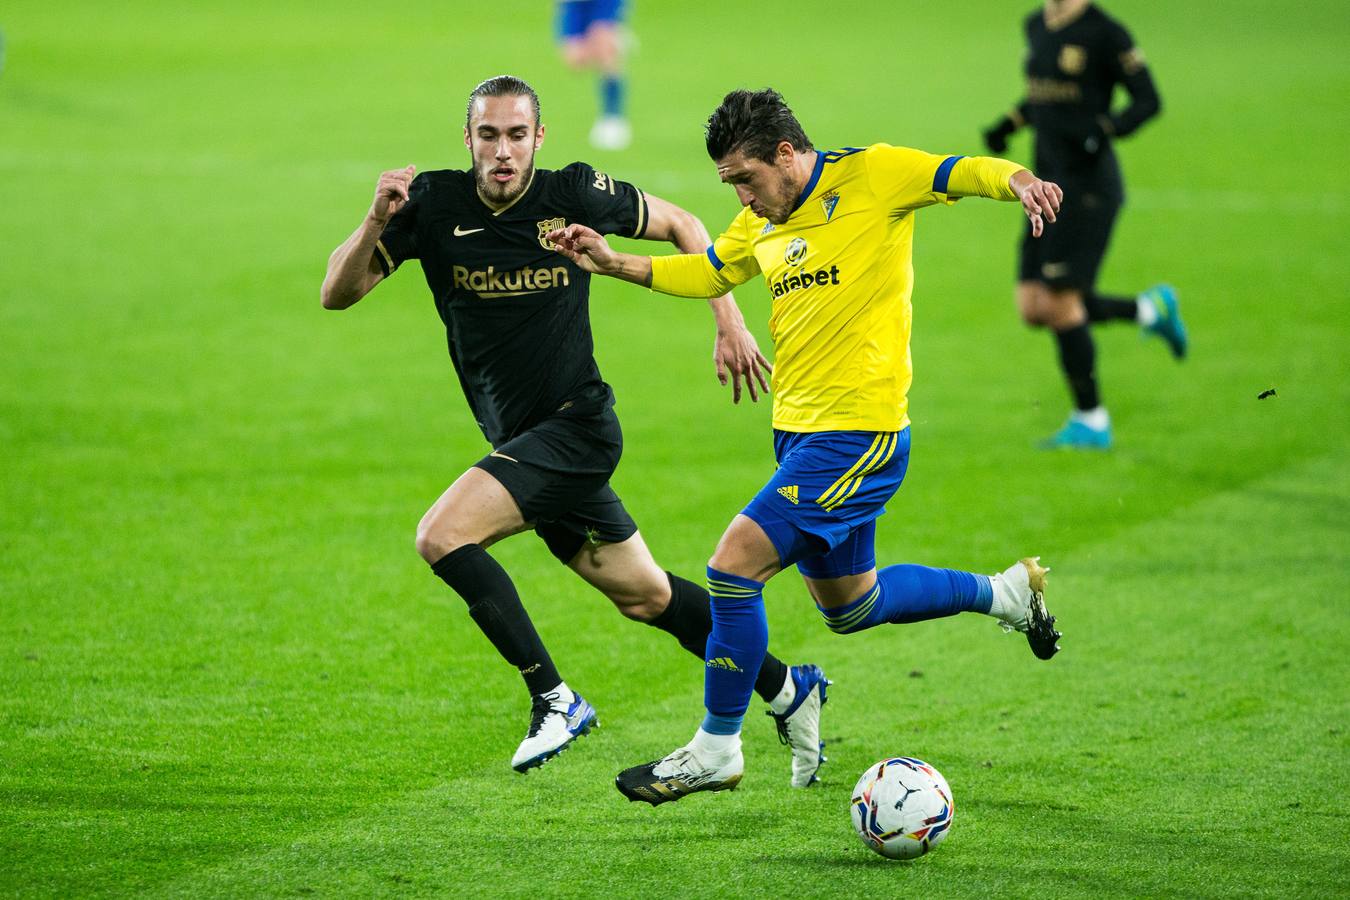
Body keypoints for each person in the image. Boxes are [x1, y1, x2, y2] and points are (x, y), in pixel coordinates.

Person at [549, 88, 1065, 806]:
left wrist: (1023, 182)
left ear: (786, 155)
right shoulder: (762, 222)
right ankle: (1006, 593)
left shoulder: (874, 175)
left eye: (745, 179)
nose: (741, 196)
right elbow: (710, 271)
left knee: (732, 567)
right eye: (729, 184)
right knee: (853, 604)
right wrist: (614, 263)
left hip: (860, 434)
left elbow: (964, 170)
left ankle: (717, 746)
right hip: (798, 435)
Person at [320, 75, 830, 785]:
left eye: (517, 134)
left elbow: (683, 223)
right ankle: (787, 688)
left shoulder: (575, 193)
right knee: (646, 596)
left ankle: (555, 699)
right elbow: (336, 295)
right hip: (524, 443)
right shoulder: (432, 205)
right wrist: (375, 221)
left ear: (540, 137)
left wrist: (729, 320)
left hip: (577, 430)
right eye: (489, 135)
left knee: (442, 535)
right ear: (467, 140)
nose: (503, 150)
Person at [981, 0, 1186, 449]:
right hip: (1043, 185)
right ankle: (1150, 310)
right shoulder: (1036, 23)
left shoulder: (1106, 32)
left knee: (1058, 302)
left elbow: (1148, 100)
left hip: (1089, 189)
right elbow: (1044, 97)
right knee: (1033, 307)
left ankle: (1091, 420)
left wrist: (1106, 129)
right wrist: (1009, 123)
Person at [556, 0, 632, 151]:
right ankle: (616, 39)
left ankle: (613, 117)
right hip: (574, 4)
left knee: (604, 52)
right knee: (576, 60)